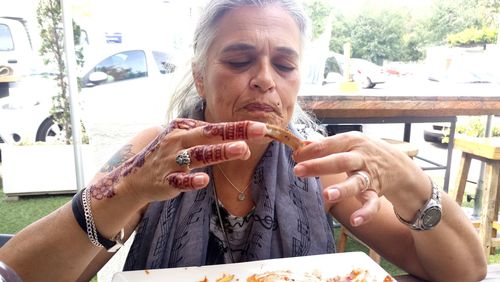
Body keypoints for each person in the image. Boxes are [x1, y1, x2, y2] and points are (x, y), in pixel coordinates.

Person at [0, 0, 487, 281]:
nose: (264, 80)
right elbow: (19, 274)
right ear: (199, 74)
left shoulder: (318, 163)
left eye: (284, 64)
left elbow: (463, 272)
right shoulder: (156, 156)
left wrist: (415, 188)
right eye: (238, 60)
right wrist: (127, 192)